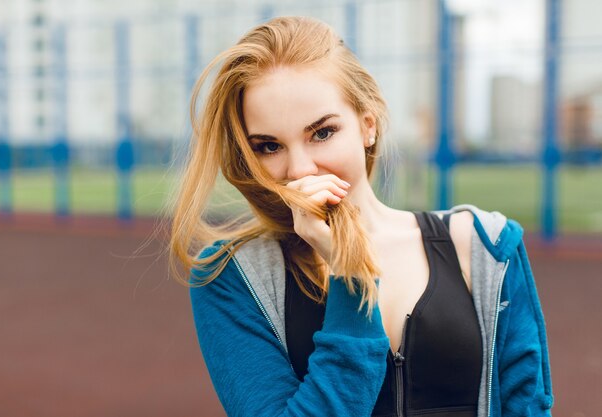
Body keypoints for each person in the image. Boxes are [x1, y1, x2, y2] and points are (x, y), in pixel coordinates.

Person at [170, 16, 554, 417]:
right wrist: (350, 278)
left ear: (367, 126)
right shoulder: (231, 276)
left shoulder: (487, 247)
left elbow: (526, 406)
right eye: (269, 146)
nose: (300, 170)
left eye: (322, 133)